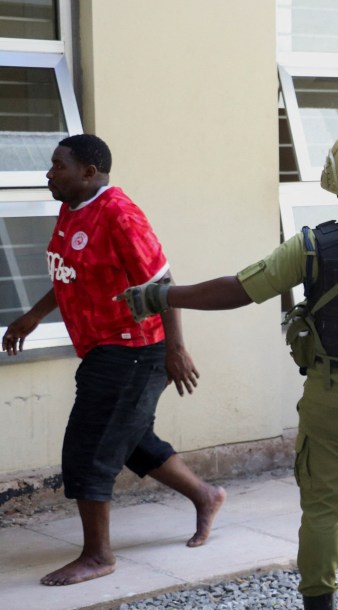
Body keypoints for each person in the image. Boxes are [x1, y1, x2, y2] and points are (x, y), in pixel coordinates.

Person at [119, 129, 338, 610]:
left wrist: (161, 297)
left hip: (331, 400)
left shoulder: (313, 245)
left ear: (336, 187)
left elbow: (237, 290)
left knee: (322, 512)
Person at [1, 134, 225, 587]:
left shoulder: (120, 215)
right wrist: (32, 316)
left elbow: (163, 282)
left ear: (89, 172)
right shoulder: (72, 208)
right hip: (103, 346)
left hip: (135, 348)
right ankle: (206, 495)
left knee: (89, 449)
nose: (49, 173)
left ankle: (98, 556)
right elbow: (72, 274)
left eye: (58, 165)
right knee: (132, 437)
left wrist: (175, 348)